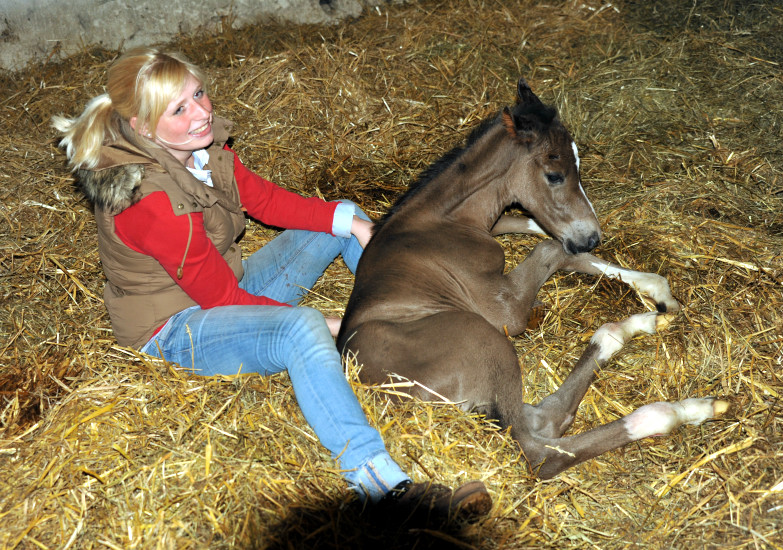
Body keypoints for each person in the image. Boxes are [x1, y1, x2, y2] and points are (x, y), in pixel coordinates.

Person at [52, 46, 491, 524]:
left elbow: (264, 199)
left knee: (338, 220)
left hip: (222, 280)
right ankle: (383, 487)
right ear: (141, 125)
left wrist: (355, 225)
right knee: (299, 329)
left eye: (199, 94)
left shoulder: (197, 148)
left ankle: (433, 303)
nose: (202, 112)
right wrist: (340, 325)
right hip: (175, 328)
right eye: (179, 109)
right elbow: (221, 300)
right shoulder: (149, 200)